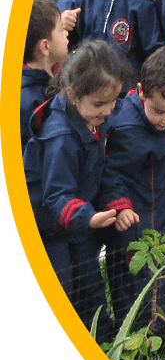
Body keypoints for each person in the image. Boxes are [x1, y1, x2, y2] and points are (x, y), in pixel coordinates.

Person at [23, 41, 127, 334]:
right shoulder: (62, 137)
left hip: (78, 221)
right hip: (49, 226)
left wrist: (111, 205)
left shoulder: (90, 117)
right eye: (99, 104)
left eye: (113, 101)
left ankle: (103, 343)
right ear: (72, 94)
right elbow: (55, 195)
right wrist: (88, 217)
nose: (108, 111)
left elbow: (99, 169)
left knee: (91, 286)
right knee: (62, 291)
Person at [97, 46, 165, 346]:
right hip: (133, 229)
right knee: (133, 290)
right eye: (159, 111)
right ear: (141, 92)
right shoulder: (125, 127)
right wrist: (120, 206)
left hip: (162, 221)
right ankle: (137, 349)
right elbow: (108, 172)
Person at [22, 0, 70, 151]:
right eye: (61, 29)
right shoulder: (29, 101)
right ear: (45, 47)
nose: (66, 34)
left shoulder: (54, 75)